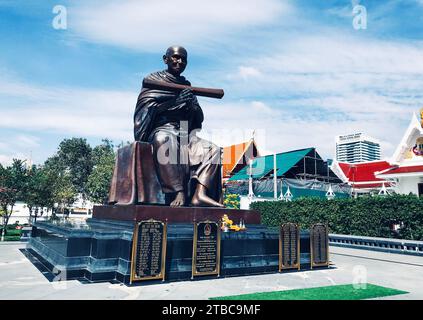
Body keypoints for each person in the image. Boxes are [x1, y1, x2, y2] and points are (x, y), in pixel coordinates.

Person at [134, 46, 224, 207]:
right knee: (164, 139)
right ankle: (178, 192)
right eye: (176, 57)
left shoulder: (186, 85)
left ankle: (199, 194)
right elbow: (147, 110)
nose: (180, 61)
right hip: (162, 128)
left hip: (183, 132)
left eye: (183, 59)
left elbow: (196, 121)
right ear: (165, 59)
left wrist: (193, 106)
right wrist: (176, 102)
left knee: (213, 149)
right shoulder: (154, 80)